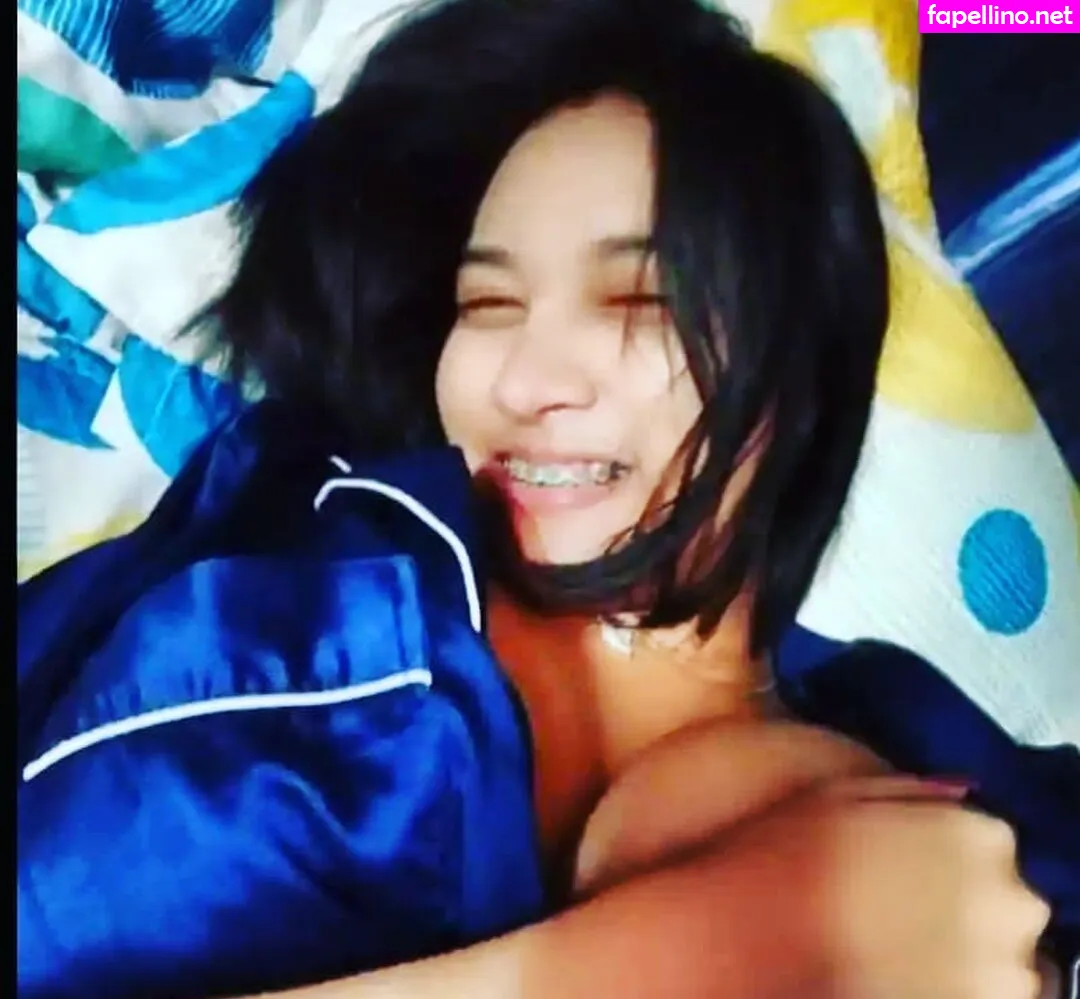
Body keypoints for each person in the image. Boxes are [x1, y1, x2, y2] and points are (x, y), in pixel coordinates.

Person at [17, 1, 1078, 998]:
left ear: (802, 367)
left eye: (638, 300)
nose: (524, 382)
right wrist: (666, 955)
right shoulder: (320, 691)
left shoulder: (890, 713)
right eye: (487, 303)